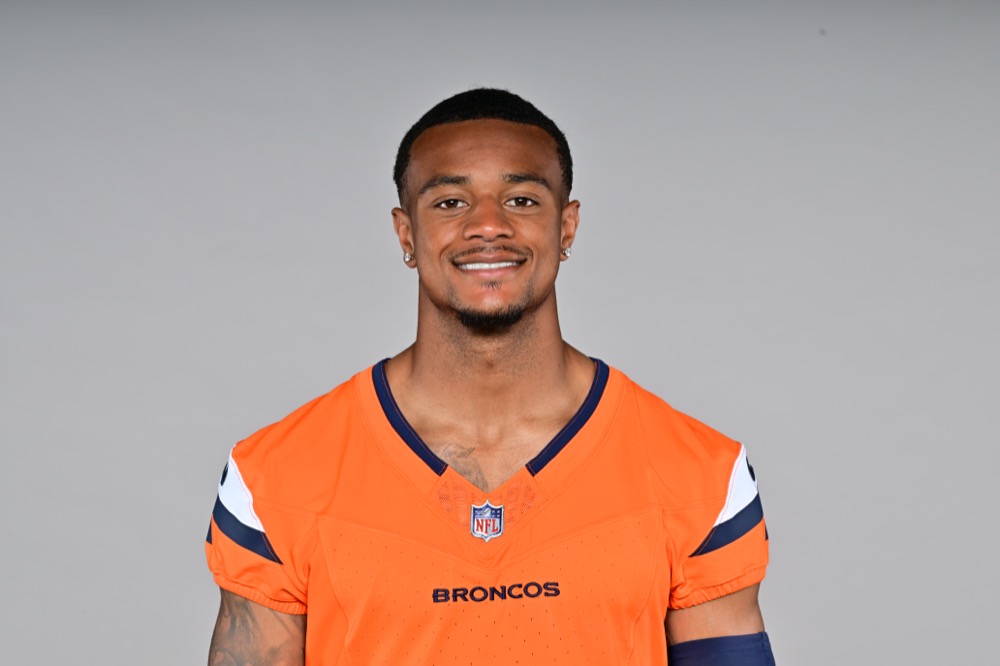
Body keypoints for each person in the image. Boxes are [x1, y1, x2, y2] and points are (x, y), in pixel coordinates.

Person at [205, 88, 774, 665]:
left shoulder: (699, 476)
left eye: (521, 199)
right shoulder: (276, 477)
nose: (487, 225)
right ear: (406, 233)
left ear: (567, 226)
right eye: (450, 202)